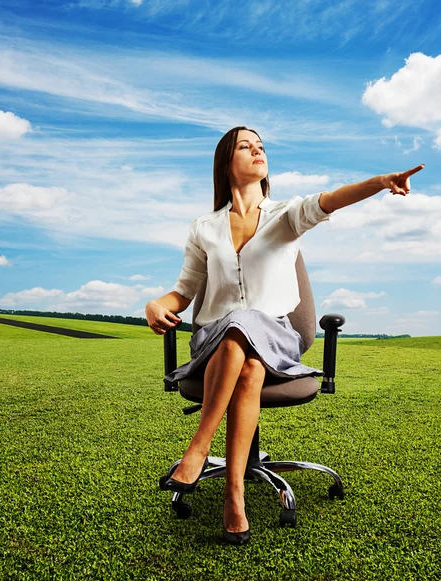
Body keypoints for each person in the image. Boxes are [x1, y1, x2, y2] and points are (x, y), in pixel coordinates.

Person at [146, 125, 424, 544]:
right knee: (245, 354)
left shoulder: (287, 216)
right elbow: (183, 292)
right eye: (246, 146)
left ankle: (199, 450)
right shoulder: (204, 227)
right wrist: (156, 305)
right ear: (226, 162)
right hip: (215, 341)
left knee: (248, 326)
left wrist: (381, 182)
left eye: (261, 146)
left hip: (276, 336)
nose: (257, 150)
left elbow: (333, 198)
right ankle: (233, 493)